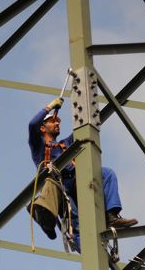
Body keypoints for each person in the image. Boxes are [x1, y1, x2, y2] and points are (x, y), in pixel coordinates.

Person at [28, 98, 137, 251]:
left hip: (77, 180)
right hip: (60, 187)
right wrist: (50, 107)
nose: (57, 123)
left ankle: (111, 216)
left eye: (58, 121)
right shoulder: (38, 146)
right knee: (76, 221)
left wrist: (104, 106)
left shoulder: (65, 143)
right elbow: (32, 124)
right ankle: (88, 253)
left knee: (107, 174)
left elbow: (83, 128)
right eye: (53, 122)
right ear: (43, 129)